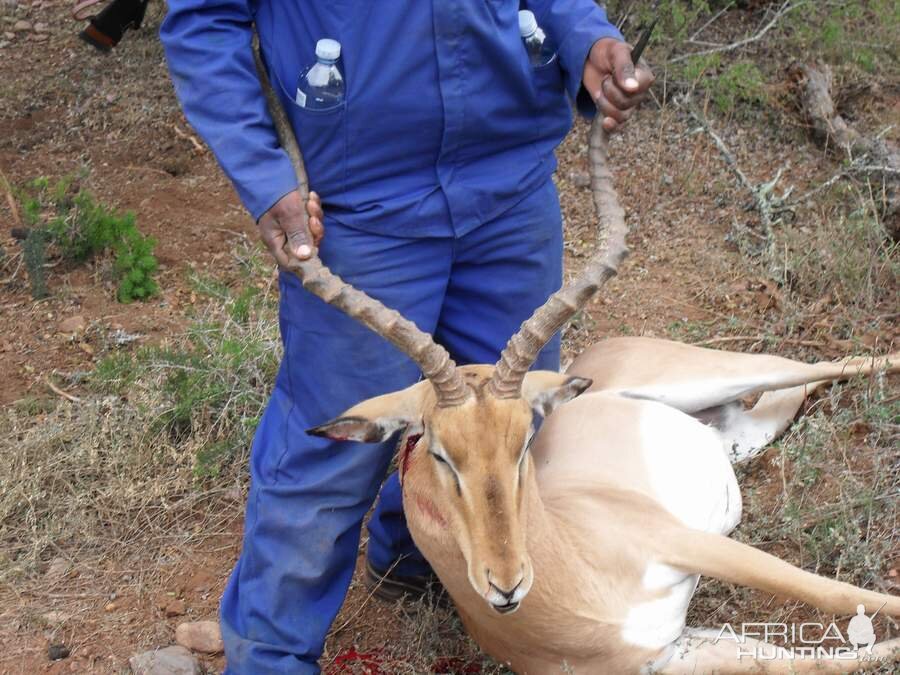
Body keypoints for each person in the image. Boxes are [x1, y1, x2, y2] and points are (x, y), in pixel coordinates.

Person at [160, 2, 653, 672]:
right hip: (359, 202)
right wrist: (261, 170)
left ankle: (420, 557)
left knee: (497, 426)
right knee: (329, 452)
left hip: (508, 180)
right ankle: (269, 654)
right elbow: (203, 19)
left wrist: (580, 34)